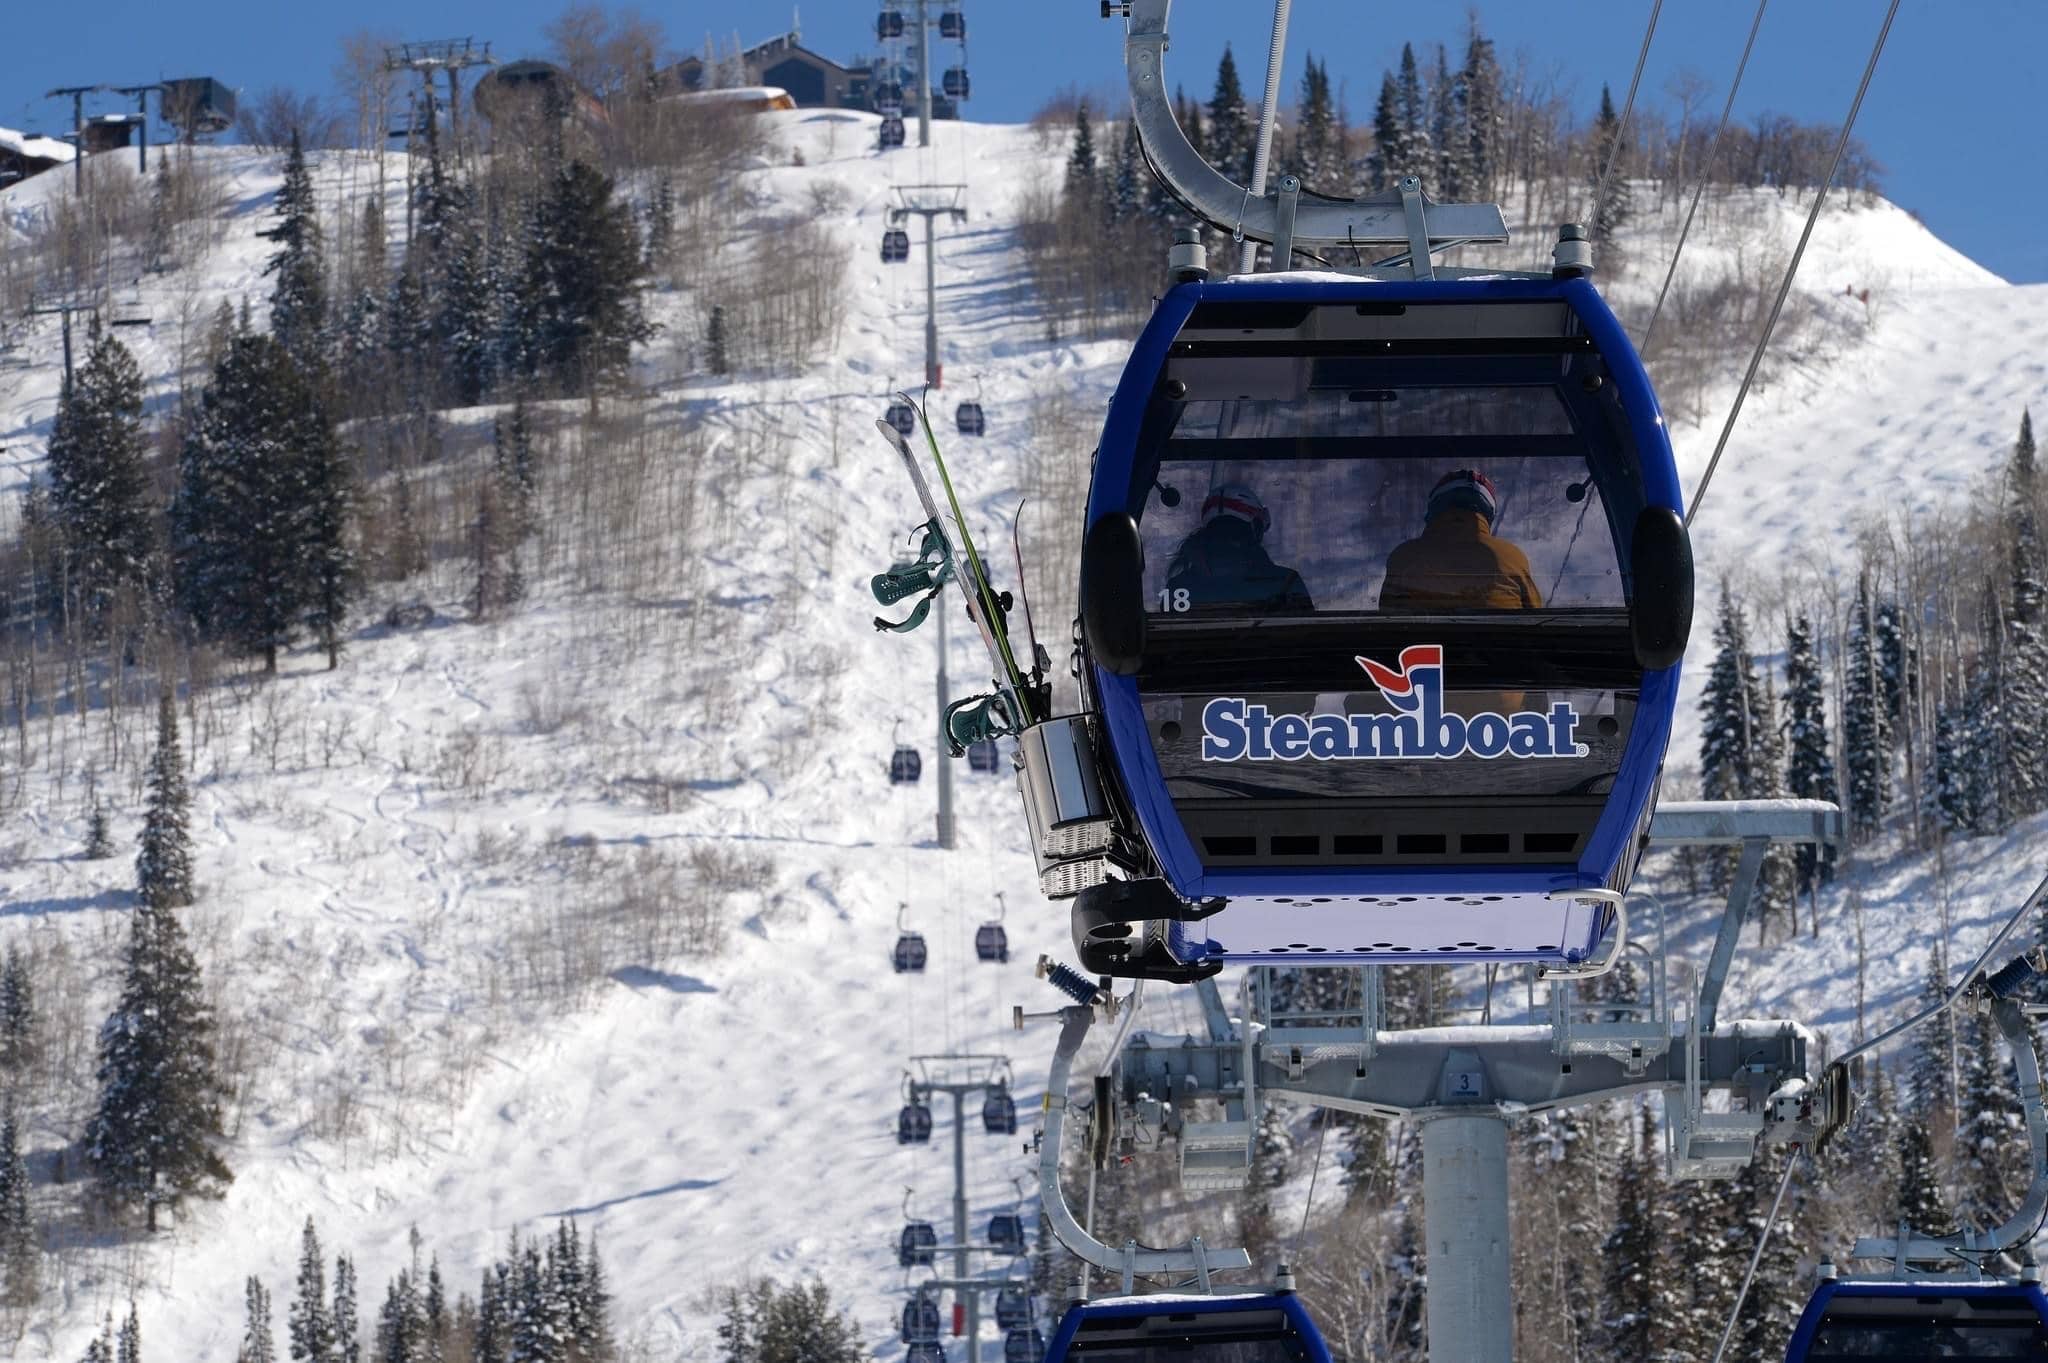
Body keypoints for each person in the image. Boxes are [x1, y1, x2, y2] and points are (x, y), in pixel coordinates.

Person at [1379, 468, 1543, 610]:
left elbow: (1385, 617)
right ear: (1488, 514)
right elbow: (1535, 615)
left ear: (1434, 509)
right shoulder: (1512, 557)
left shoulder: (1405, 556)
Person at [1165, 481, 1314, 613]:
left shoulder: (1179, 588)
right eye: (1223, 533)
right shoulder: (1285, 585)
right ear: (1256, 531)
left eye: (1234, 532)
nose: (1228, 542)